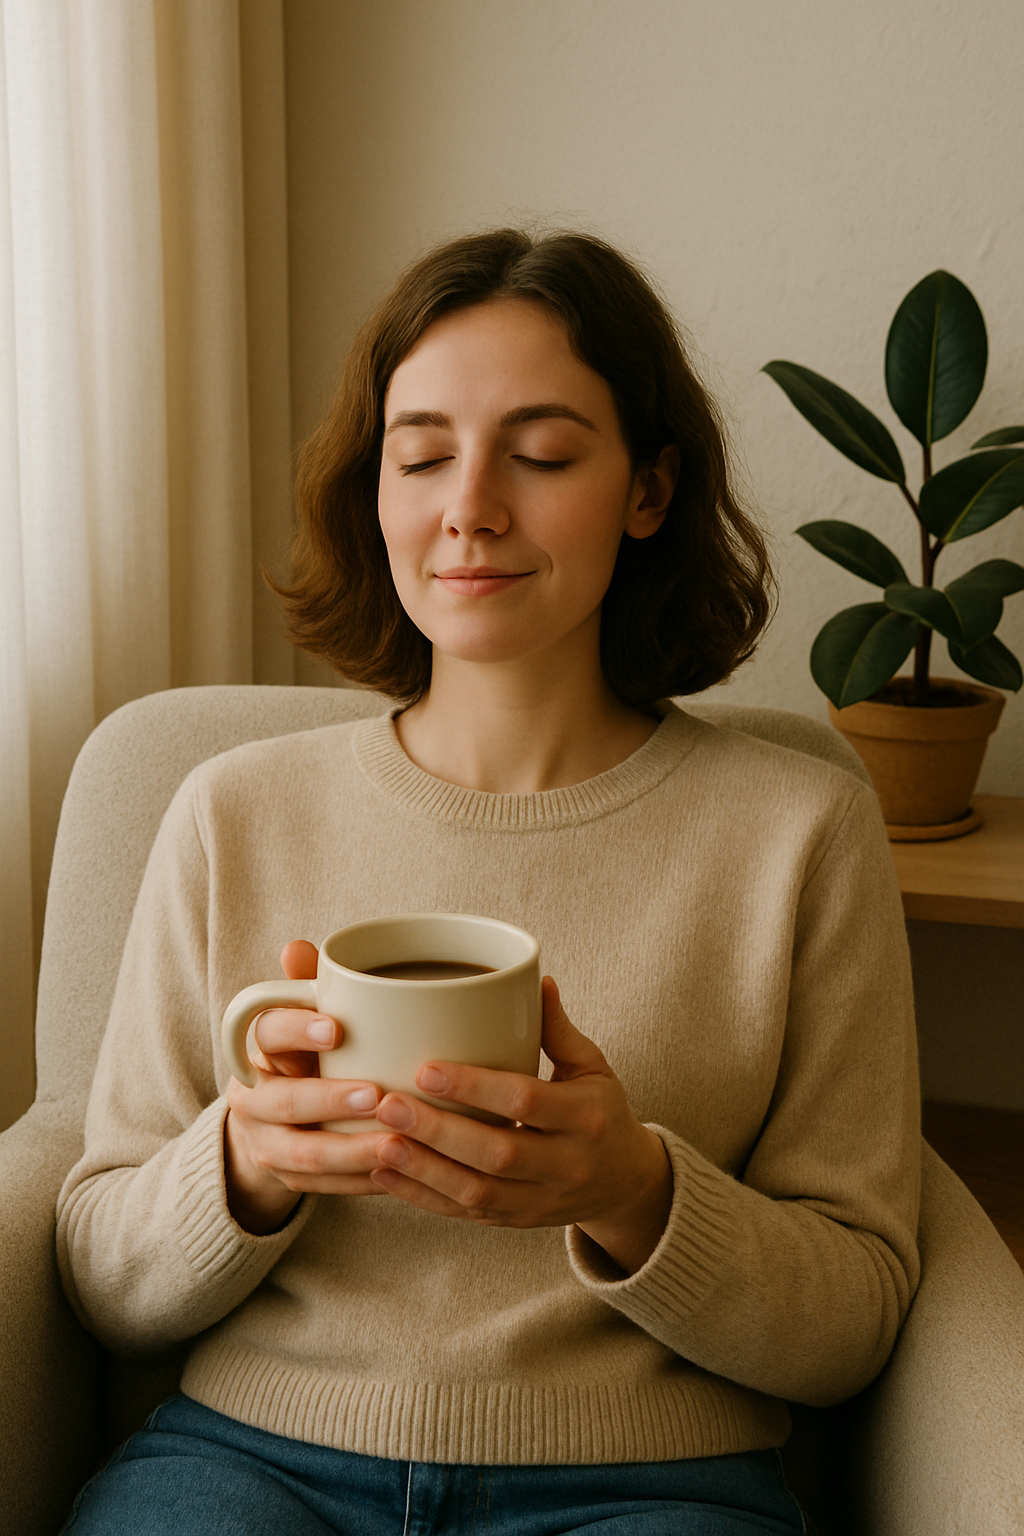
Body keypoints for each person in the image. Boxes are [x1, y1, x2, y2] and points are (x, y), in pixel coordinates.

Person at [56, 229, 920, 1534]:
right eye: (420, 456)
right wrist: (242, 1164)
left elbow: (856, 1315)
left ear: (648, 489)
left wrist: (634, 1191)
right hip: (254, 1463)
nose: (470, 507)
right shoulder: (233, 808)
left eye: (544, 452)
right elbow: (103, 1277)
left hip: (652, 1488)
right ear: (377, 492)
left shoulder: (801, 829)